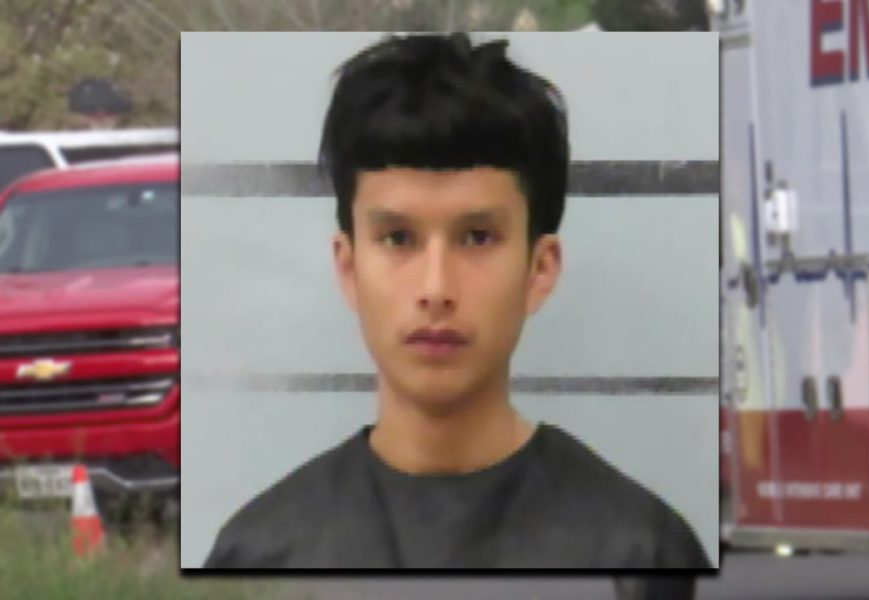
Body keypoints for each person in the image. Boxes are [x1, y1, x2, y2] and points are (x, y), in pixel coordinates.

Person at [203, 32, 711, 569]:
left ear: (539, 270)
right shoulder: (258, 554)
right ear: (348, 268)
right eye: (398, 239)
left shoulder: (643, 552)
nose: (436, 289)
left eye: (477, 238)